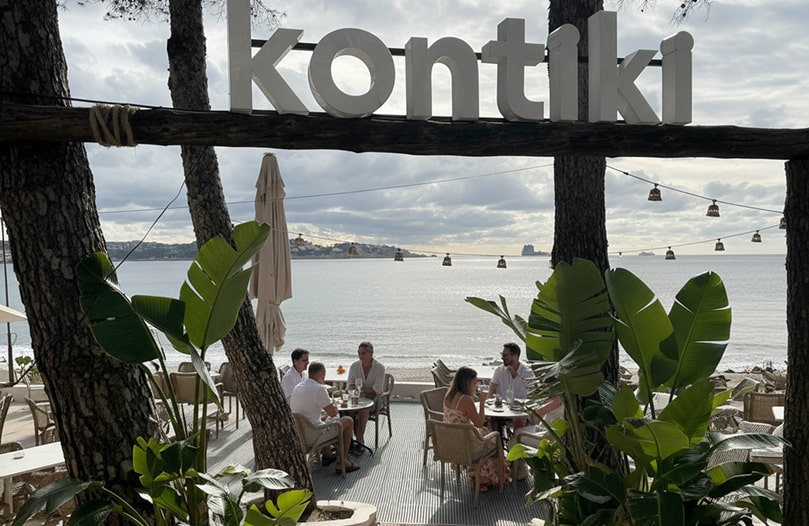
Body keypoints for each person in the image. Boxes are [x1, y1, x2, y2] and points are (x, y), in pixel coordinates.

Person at [443, 366, 509, 491]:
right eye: (474, 383)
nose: (475, 386)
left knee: (484, 434)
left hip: (451, 440)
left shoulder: (448, 396)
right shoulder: (466, 400)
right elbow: (479, 423)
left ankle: (479, 476)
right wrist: (482, 402)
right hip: (465, 444)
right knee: (494, 439)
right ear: (467, 382)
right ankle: (486, 478)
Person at [290, 361, 359, 473]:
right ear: (322, 374)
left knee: (326, 419)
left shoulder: (298, 387)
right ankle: (343, 462)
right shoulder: (319, 388)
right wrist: (335, 406)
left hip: (299, 434)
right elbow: (332, 413)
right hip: (313, 436)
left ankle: (328, 454)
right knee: (347, 421)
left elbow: (308, 413)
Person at [347, 341, 385, 447]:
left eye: (363, 353)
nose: (360, 356)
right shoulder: (354, 366)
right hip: (357, 398)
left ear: (371, 353)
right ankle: (349, 440)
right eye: (359, 353)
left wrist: (361, 390)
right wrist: (355, 389)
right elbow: (350, 385)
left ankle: (359, 439)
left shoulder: (379, 367)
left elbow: (377, 389)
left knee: (364, 409)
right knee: (347, 411)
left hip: (375, 399)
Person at [489, 342, 535, 428]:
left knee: (520, 420)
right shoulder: (499, 370)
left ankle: (516, 440)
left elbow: (532, 392)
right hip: (502, 409)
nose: (502, 358)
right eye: (502, 355)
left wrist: (515, 376)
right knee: (488, 419)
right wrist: (490, 400)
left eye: (505, 355)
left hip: (520, 409)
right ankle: (496, 440)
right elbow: (492, 387)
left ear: (515, 356)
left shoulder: (527, 372)